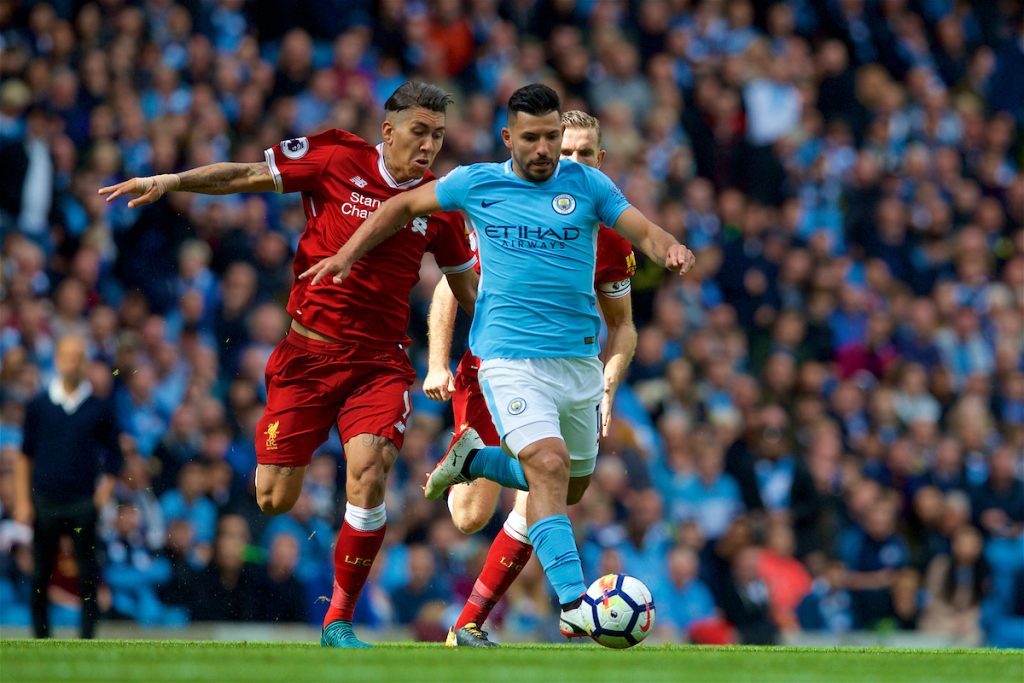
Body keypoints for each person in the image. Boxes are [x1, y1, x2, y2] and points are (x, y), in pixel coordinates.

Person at [301, 83, 695, 639]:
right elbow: (405, 211)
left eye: (554, 139)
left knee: (569, 487)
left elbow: (643, 235)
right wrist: (346, 254)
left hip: (577, 365)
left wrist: (669, 247)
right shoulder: (476, 184)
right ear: (509, 138)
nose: (547, 151)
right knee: (546, 470)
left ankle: (477, 461)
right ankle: (575, 603)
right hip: (506, 361)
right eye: (534, 139)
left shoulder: (590, 190)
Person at [99, 82, 479, 648]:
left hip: (379, 362)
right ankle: (283, 463)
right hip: (306, 355)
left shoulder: (439, 202)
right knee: (274, 498)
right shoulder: (336, 159)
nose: (428, 146)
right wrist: (173, 181)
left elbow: (465, 289)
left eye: (438, 136)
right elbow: (247, 175)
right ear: (389, 131)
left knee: (369, 471)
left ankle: (339, 621)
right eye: (419, 132)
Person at [420, 110, 638, 647]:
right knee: (472, 516)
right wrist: (437, 362)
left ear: (600, 163)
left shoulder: (608, 237)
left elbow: (624, 327)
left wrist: (609, 383)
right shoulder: (512, 206)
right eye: (566, 152)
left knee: (553, 489)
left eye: (586, 154)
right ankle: (469, 462)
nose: (573, 162)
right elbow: (451, 284)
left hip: (568, 372)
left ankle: (468, 624)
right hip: (499, 366)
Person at [13, 334, 123, 638]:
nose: (72, 361)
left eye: (78, 356)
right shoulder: (39, 406)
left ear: (86, 362)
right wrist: (23, 501)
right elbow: (25, 457)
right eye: (67, 355)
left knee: (88, 574)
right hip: (45, 500)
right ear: (58, 359)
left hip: (82, 502)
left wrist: (100, 497)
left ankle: (88, 636)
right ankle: (40, 636)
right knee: (41, 572)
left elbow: (115, 458)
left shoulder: (99, 408)